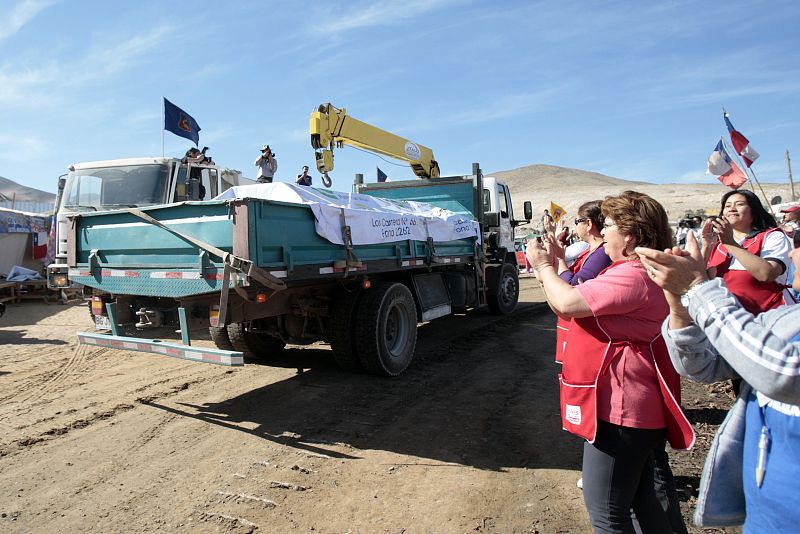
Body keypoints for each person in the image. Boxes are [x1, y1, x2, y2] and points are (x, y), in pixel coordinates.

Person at [527, 191, 694, 534]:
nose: (603, 234)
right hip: (638, 408)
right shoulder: (644, 270)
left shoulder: (631, 274)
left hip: (622, 411)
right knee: (642, 504)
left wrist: (543, 266)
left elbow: (567, 303)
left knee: (607, 514)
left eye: (610, 226)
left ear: (630, 236)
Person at [637, 231, 800, 531]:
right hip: (763, 519)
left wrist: (698, 287)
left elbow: (783, 373)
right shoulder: (787, 320)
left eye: (799, 245)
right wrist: (679, 304)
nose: (792, 254)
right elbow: (701, 366)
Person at [702, 189, 793, 314]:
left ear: (753, 211)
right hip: (732, 322)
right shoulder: (716, 245)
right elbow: (697, 281)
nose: (732, 209)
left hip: (772, 317)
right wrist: (706, 247)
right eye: (727, 206)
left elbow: (767, 274)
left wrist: (730, 243)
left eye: (739, 204)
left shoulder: (771, 236)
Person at [551, 200, 611, 364]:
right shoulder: (589, 251)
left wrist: (559, 259)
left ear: (589, 224)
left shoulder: (602, 253)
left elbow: (572, 286)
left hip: (587, 333)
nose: (575, 227)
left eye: (577, 222)